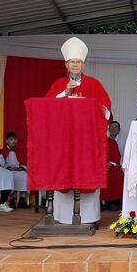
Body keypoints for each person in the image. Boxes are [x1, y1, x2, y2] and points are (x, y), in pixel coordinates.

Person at [46, 37, 112, 225]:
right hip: (64, 141)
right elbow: (47, 107)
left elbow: (106, 108)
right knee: (65, 175)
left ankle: (88, 217)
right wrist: (64, 94)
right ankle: (63, 217)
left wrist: (92, 106)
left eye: (78, 62)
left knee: (86, 176)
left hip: (86, 142)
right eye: (72, 62)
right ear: (66, 64)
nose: (75, 65)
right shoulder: (59, 84)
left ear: (83, 65)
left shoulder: (94, 84)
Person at [1, 131, 30, 208]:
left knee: (26, 176)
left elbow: (25, 163)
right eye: (11, 139)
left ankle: (22, 200)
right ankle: (12, 199)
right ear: (7, 141)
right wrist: (10, 168)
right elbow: (1, 164)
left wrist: (21, 168)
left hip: (19, 170)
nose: (14, 141)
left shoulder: (20, 151)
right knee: (11, 176)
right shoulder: (3, 151)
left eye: (15, 139)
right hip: (9, 171)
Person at [101, 133, 124, 211]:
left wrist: (110, 164)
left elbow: (116, 155)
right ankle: (100, 203)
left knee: (116, 175)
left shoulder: (111, 142)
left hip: (110, 166)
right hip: (98, 168)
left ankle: (113, 202)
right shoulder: (93, 141)